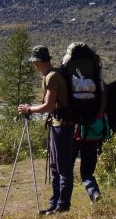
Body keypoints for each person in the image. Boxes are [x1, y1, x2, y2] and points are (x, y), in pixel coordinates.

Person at [18, 45, 75, 215]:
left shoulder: (52, 77)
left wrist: (29, 109)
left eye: (34, 62)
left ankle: (62, 206)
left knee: (62, 168)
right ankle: (55, 204)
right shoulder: (52, 75)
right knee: (55, 167)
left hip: (62, 127)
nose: (33, 66)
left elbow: (49, 106)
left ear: (40, 62)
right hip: (58, 125)